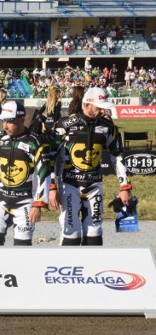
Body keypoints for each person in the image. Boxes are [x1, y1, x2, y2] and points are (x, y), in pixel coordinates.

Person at [49, 87, 132, 246]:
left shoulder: (108, 127)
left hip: (94, 185)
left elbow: (118, 156)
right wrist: (52, 186)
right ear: (87, 104)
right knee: (71, 233)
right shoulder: (64, 124)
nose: (103, 111)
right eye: (99, 107)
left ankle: (93, 270)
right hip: (69, 185)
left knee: (95, 234)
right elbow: (50, 157)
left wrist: (124, 186)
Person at [0, 101, 51, 245]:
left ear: (22, 120)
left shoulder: (35, 142)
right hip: (0, 199)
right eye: (4, 121)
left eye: (10, 122)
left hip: (25, 202)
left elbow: (44, 174)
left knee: (22, 247)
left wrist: (38, 204)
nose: (5, 126)